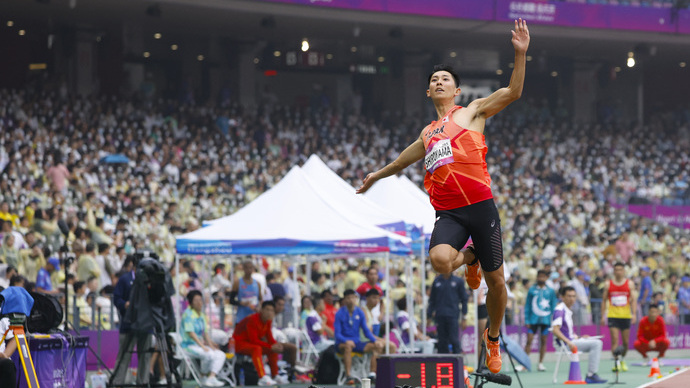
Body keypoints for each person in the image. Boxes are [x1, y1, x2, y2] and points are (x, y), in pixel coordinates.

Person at [356, 19, 531, 373]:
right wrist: (376, 176)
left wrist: (520, 54)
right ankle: (470, 258)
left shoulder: (472, 112)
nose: (438, 82)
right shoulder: (428, 134)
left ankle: (492, 337)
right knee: (439, 263)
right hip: (450, 212)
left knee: (497, 284)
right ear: (428, 92)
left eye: (444, 80)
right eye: (433, 80)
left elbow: (513, 92)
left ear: (456, 92)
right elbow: (400, 160)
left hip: (481, 207)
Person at [552, 286, 607, 384]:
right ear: (562, 297)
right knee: (597, 344)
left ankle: (591, 374)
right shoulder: (559, 310)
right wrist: (569, 342)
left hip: (572, 341)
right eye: (569, 296)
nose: (571, 299)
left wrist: (580, 337)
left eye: (573, 296)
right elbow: (555, 330)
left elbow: (567, 332)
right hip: (565, 345)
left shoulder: (567, 310)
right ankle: (591, 375)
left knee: (595, 342)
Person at [335, 289, 385, 385]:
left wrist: (375, 341)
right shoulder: (339, 313)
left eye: (352, 297)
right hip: (342, 343)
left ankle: (372, 374)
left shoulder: (359, 312)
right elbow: (337, 334)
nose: (351, 300)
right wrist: (346, 341)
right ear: (344, 300)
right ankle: (348, 376)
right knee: (347, 347)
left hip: (357, 343)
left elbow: (366, 331)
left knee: (377, 346)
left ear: (356, 298)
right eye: (348, 298)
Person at [233, 301, 289, 386]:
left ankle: (275, 375)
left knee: (273, 349)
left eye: (272, 310)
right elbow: (254, 340)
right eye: (267, 309)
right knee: (257, 348)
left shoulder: (268, 321)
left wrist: (276, 345)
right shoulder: (252, 319)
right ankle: (262, 377)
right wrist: (271, 346)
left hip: (251, 344)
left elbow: (269, 338)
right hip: (238, 344)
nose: (269, 312)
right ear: (261, 310)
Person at [180, 290, 226, 387]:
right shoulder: (188, 314)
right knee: (208, 354)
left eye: (200, 300)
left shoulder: (202, 315)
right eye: (196, 300)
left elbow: (205, 333)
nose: (199, 302)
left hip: (198, 346)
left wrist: (211, 345)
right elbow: (191, 333)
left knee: (220, 354)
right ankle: (203, 376)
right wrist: (203, 346)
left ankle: (211, 377)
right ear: (191, 302)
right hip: (187, 346)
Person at [600, 262, 637, 372]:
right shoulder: (608, 284)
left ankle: (622, 359)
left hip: (625, 316)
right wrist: (603, 316)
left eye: (620, 270)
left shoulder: (629, 284)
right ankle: (616, 362)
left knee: (625, 342)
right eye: (616, 270)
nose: (618, 272)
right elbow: (604, 300)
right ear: (614, 271)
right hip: (613, 315)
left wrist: (634, 314)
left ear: (624, 271)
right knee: (615, 340)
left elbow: (633, 300)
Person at [523, 269, 558, 372]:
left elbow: (553, 306)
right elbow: (527, 306)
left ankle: (540, 364)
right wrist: (527, 320)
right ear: (537, 277)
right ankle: (524, 364)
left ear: (546, 278)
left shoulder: (550, 291)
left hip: (546, 321)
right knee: (529, 341)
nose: (541, 278)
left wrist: (553, 320)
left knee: (543, 342)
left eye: (543, 276)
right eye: (540, 276)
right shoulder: (531, 290)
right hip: (533, 320)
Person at [427, 272, 468, 354]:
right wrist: (429, 315)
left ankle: (458, 362)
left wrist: (464, 317)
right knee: (442, 341)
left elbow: (464, 299)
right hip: (440, 315)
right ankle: (443, 362)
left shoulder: (458, 281)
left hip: (453, 315)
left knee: (454, 339)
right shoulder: (436, 281)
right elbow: (432, 300)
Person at [0, 316, 18, 387]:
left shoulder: (3, 315)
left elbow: (14, 338)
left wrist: (5, 355)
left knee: (8, 365)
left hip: (1, 360)